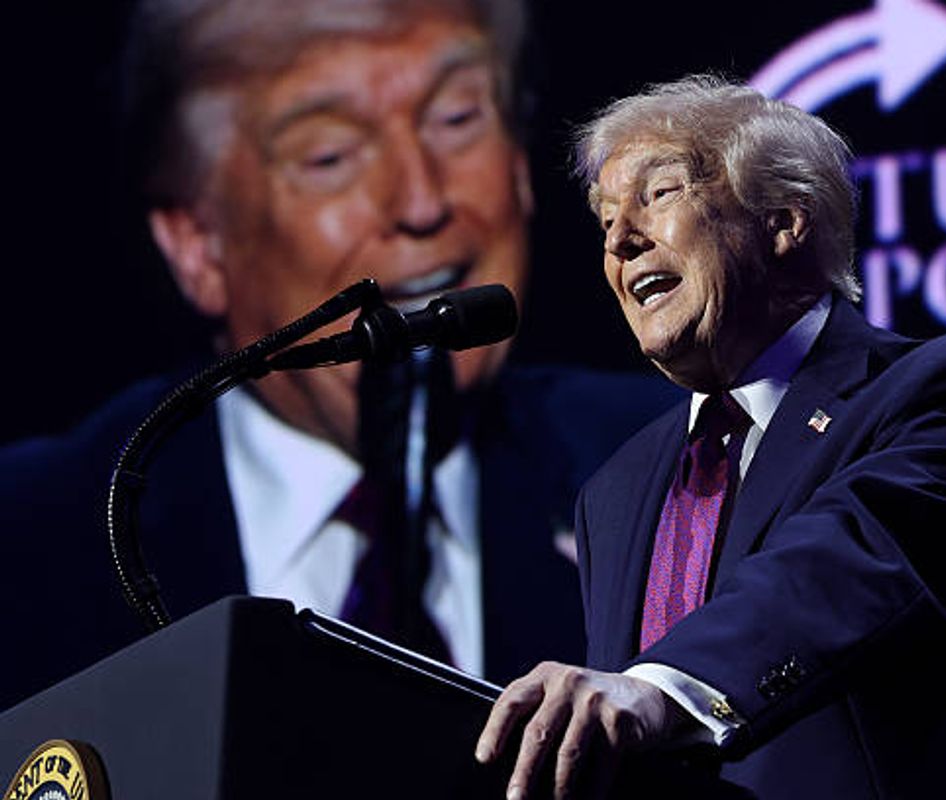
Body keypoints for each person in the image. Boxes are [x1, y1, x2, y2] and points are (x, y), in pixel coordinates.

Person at [0, 0, 680, 712]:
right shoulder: (34, 544)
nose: (420, 200)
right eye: (329, 156)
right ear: (198, 244)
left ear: (519, 165)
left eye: (456, 120)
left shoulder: (681, 472)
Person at [475, 75, 946, 799]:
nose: (621, 238)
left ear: (784, 220)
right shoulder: (614, 492)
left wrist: (659, 689)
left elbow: (846, 567)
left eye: (659, 194)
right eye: (607, 218)